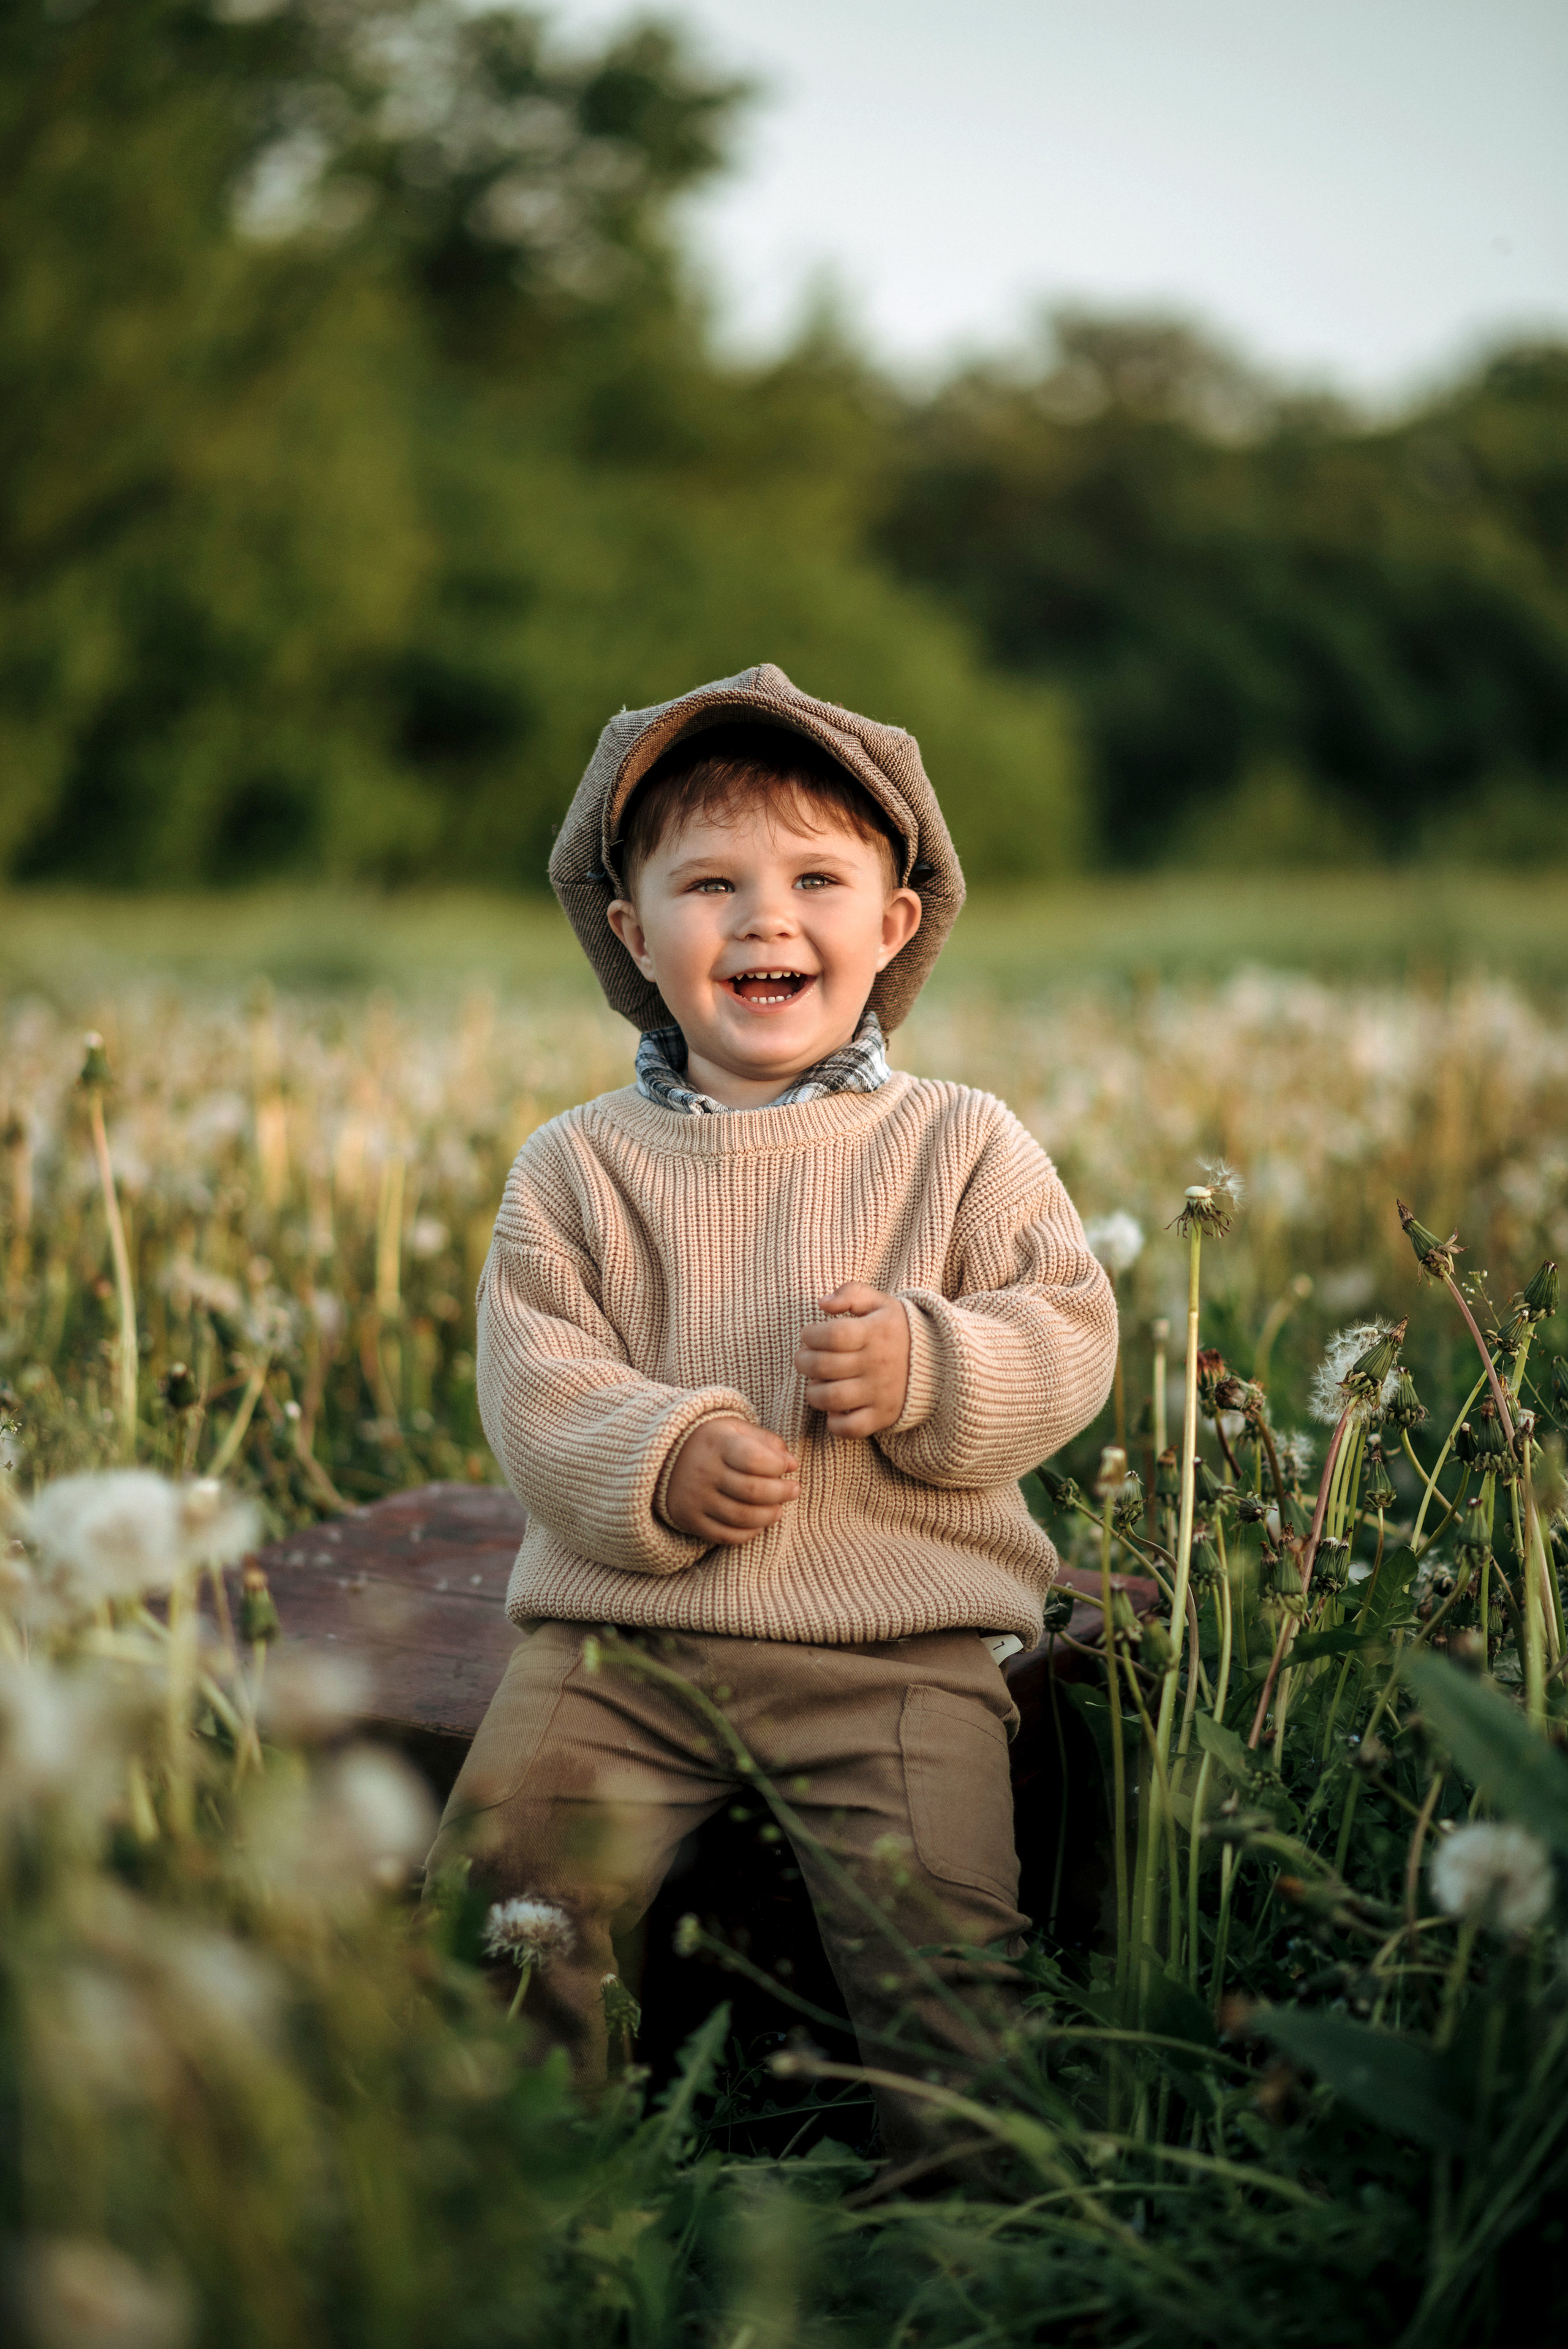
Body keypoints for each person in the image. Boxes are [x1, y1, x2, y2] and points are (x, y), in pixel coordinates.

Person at [427, 664, 1116, 2163]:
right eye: (708, 883)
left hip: (895, 1648)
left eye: (816, 877)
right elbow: (534, 1381)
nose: (763, 918)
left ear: (895, 922)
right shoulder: (575, 1166)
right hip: (619, 1644)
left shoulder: (961, 1142)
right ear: (629, 932)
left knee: (942, 1955)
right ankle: (517, 2176)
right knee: (502, 1893)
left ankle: (974, 2215)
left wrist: (934, 1368)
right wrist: (658, 1455)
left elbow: (1067, 1330)